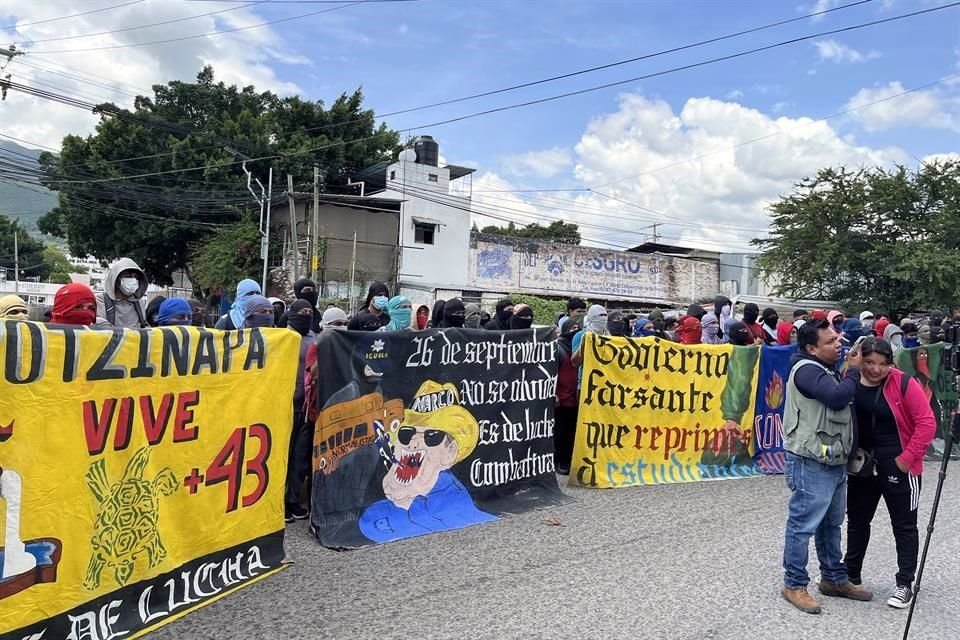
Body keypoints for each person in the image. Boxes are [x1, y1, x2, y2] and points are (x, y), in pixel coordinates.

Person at [781, 319, 873, 614]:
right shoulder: (806, 370)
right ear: (811, 348)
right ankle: (794, 584)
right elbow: (836, 398)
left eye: (838, 339)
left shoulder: (826, 370)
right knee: (802, 526)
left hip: (832, 461)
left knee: (831, 524)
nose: (839, 344)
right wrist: (855, 370)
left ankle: (833, 579)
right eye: (831, 341)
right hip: (810, 462)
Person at [843, 337, 935, 609]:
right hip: (862, 463)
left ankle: (905, 583)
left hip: (898, 462)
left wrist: (906, 460)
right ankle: (851, 574)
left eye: (883, 364)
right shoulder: (851, 379)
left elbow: (926, 423)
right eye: (870, 362)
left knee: (904, 526)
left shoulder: (903, 382)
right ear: (860, 359)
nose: (875, 369)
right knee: (858, 520)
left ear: (891, 364)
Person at [285, 299, 316, 522]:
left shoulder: (315, 339)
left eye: (309, 312)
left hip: (306, 408)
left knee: (300, 457)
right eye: (301, 312)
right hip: (284, 406)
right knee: (283, 456)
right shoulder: (280, 338)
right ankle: (279, 501)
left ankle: (293, 500)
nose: (306, 315)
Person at [554, 317, 583, 475]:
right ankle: (560, 461)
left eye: (578, 328)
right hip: (562, 399)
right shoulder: (558, 349)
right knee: (561, 432)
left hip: (576, 398)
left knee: (572, 432)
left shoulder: (580, 348)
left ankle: (569, 459)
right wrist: (555, 394)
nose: (575, 331)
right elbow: (551, 373)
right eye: (572, 328)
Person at [96, 257, 148, 329]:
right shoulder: (100, 301)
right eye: (128, 276)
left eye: (136, 277)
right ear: (116, 279)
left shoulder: (139, 303)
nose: (133, 280)